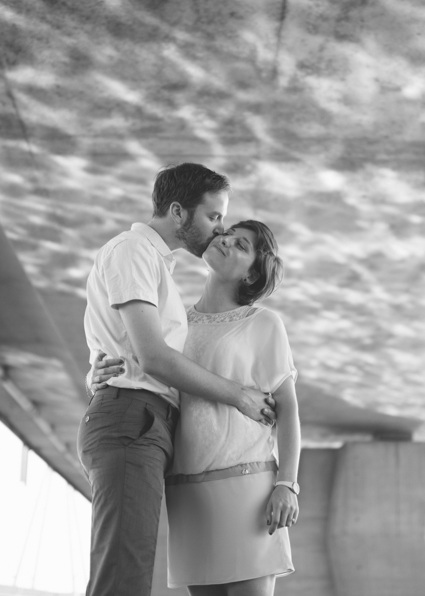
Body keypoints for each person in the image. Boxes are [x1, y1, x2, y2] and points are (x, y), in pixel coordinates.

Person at [77, 164, 276, 596]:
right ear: (178, 212)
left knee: (128, 570)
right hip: (132, 419)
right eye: (213, 216)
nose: (219, 229)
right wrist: (239, 396)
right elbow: (153, 357)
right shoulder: (133, 251)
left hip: (142, 422)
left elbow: (123, 344)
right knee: (123, 577)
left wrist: (96, 371)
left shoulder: (155, 264)